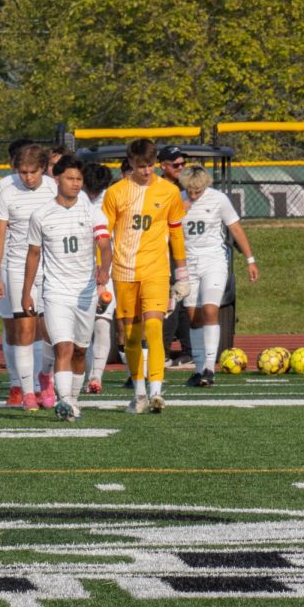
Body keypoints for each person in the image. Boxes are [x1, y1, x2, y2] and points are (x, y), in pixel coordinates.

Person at [22, 155, 112, 422]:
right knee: (64, 347)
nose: (75, 183)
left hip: (85, 292)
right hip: (55, 293)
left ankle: (72, 400)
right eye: (70, 178)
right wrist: (27, 291)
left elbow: (105, 245)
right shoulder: (41, 215)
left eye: (79, 179)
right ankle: (64, 402)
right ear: (56, 179)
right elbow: (34, 254)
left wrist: (104, 268)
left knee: (81, 351)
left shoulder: (92, 211)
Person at [102, 138, 189, 414]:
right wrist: (101, 271)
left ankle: (156, 391)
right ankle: (138, 392)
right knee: (131, 335)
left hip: (156, 270)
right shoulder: (116, 193)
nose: (147, 171)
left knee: (154, 328)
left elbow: (175, 232)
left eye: (151, 165)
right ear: (130, 163)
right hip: (124, 270)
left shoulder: (170, 192)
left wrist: (182, 272)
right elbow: (103, 236)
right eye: (141, 166)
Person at [0, 144, 59, 411]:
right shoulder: (5, 192)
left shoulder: (54, 189)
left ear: (43, 168)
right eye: (23, 172)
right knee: (24, 330)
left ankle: (46, 381)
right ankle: (28, 392)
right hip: (18, 267)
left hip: (51, 267)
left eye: (33, 172)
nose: (28, 177)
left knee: (50, 330)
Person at [178, 164, 259, 386]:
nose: (194, 195)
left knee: (211, 309)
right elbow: (165, 229)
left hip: (213, 260)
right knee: (193, 317)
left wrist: (250, 259)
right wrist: (177, 212)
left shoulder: (218, 199)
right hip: (188, 263)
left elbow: (235, 228)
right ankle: (198, 367)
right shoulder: (177, 199)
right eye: (190, 191)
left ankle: (209, 369)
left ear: (205, 186)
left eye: (198, 191)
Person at [0, 138, 36, 406]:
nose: (25, 173)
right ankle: (17, 384)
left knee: (41, 327)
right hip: (10, 264)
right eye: (20, 166)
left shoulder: (50, 187)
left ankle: (38, 383)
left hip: (44, 268)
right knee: (14, 327)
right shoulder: (2, 187)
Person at [157, 145, 194, 370]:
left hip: (190, 250)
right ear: (163, 166)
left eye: (183, 164)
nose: (181, 168)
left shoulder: (191, 185)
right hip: (165, 250)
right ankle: (163, 350)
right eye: (176, 164)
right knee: (170, 301)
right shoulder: (158, 188)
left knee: (183, 300)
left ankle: (188, 352)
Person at [82, 161, 115, 394]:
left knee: (102, 324)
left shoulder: (111, 199)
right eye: (89, 190)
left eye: (97, 190)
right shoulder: (71, 198)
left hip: (106, 270)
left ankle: (96, 376)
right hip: (75, 272)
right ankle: (79, 375)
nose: (93, 195)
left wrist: (105, 268)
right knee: (80, 328)